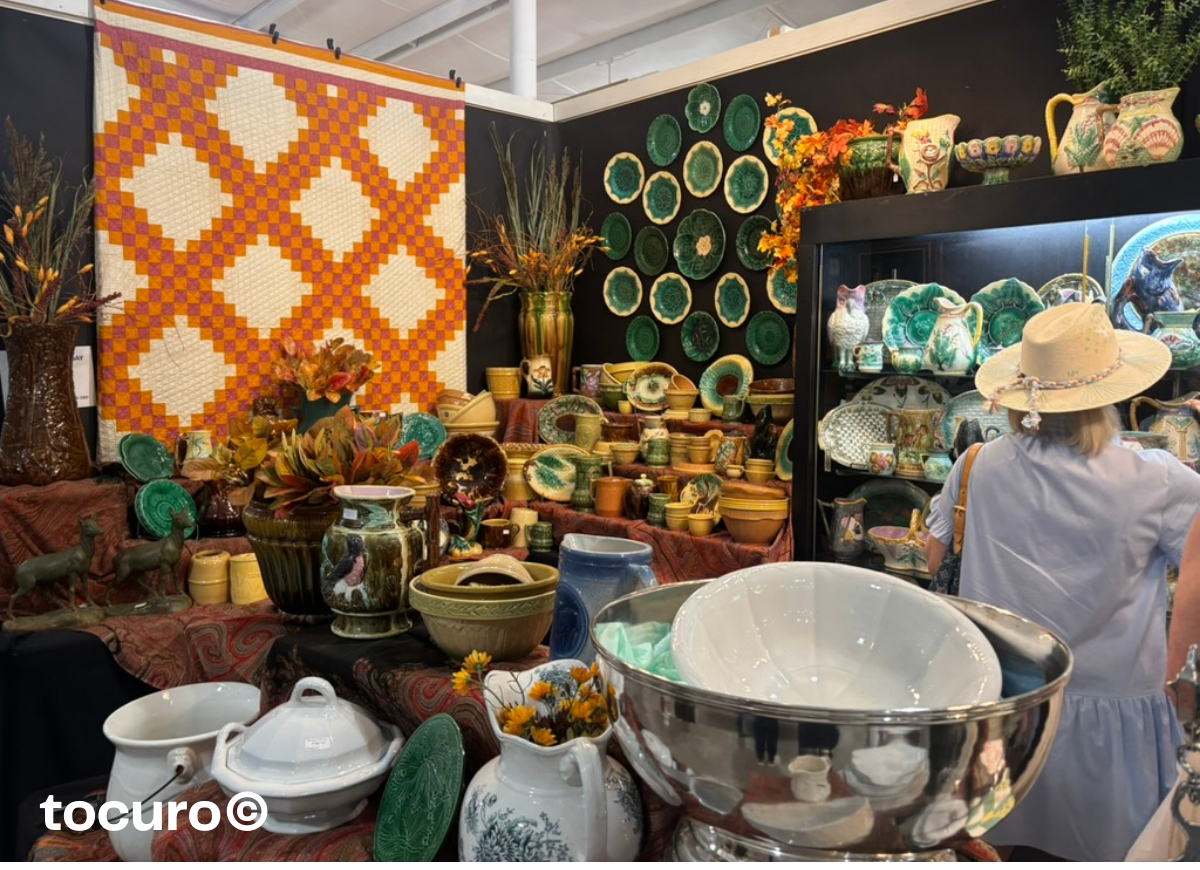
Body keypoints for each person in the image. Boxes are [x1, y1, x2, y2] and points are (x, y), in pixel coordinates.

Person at [924, 302, 1200, 862]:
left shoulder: (976, 463)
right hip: (1112, 720)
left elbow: (934, 561)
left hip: (1002, 715)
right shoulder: (1157, 481)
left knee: (994, 848)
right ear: (1109, 393)